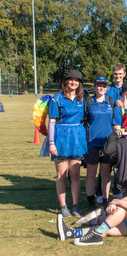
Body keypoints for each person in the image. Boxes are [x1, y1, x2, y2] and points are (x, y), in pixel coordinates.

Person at [48, 69, 87, 217]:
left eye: (76, 80)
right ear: (65, 81)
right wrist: (51, 143)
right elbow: (52, 121)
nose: (73, 82)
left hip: (77, 138)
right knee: (61, 175)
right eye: (71, 80)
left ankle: (76, 206)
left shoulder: (82, 98)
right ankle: (63, 207)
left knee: (75, 175)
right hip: (61, 138)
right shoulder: (57, 98)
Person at [85, 76, 114, 208]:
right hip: (92, 143)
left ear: (106, 87)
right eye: (98, 85)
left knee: (105, 174)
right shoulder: (89, 102)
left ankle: (105, 198)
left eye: (103, 85)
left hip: (107, 144)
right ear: (95, 86)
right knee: (91, 173)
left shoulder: (111, 101)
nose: (101, 87)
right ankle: (90, 199)